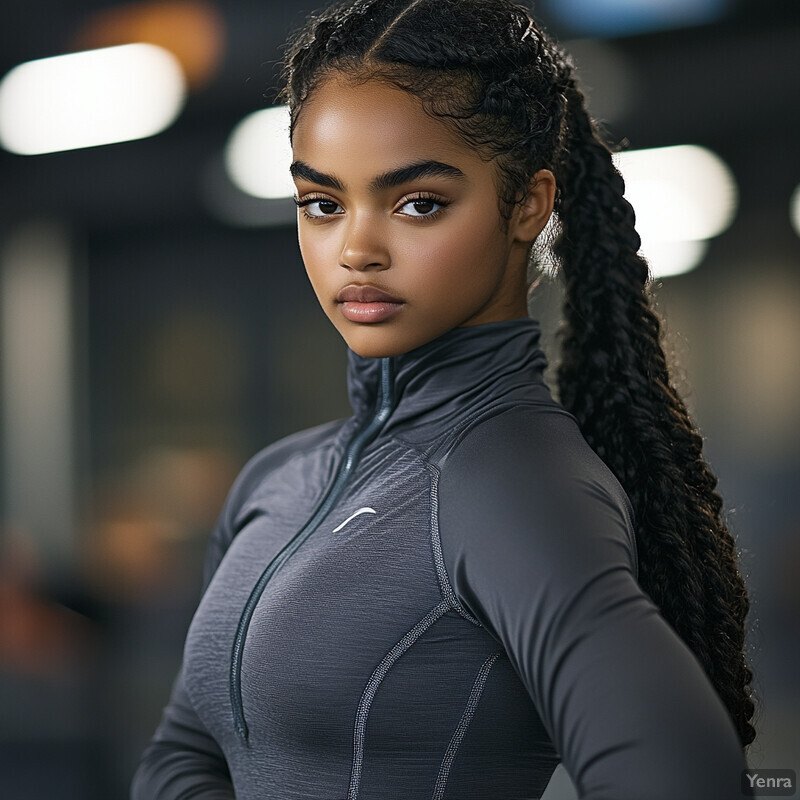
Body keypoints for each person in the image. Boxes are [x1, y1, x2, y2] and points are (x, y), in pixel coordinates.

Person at [131, 0, 757, 797]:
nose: (357, 248)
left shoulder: (512, 483)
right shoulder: (276, 481)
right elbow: (182, 756)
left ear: (528, 204)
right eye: (323, 203)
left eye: (418, 202)